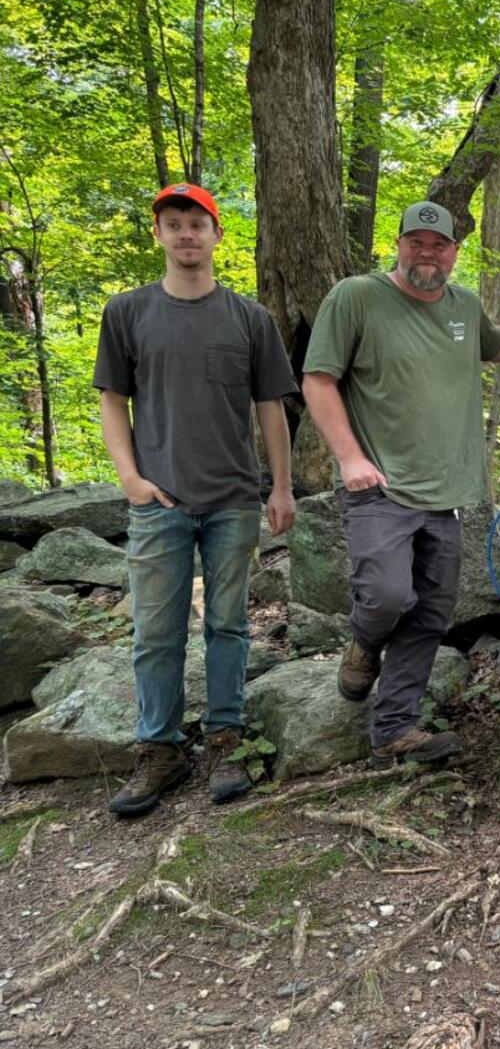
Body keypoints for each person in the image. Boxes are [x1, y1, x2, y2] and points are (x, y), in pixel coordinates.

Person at [303, 200, 500, 768]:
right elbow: (318, 380)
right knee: (387, 596)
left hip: (446, 495)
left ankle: (395, 728)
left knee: (430, 613)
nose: (426, 253)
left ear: (454, 251)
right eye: (415, 242)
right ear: (398, 245)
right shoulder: (357, 297)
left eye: (438, 244)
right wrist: (348, 458)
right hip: (378, 486)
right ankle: (365, 643)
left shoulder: (463, 307)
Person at [94, 183, 299, 816]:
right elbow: (111, 401)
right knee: (156, 632)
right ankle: (160, 747)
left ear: (215, 235)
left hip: (234, 498)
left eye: (197, 224)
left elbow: (272, 408)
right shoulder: (127, 312)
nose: (186, 234)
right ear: (158, 234)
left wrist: (282, 486)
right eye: (174, 223)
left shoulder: (249, 318)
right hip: (160, 500)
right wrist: (130, 479)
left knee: (230, 625)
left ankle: (226, 736)